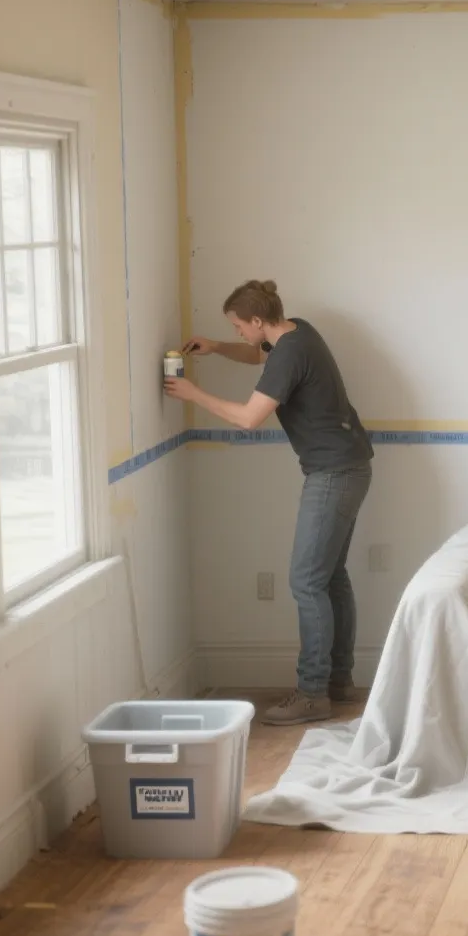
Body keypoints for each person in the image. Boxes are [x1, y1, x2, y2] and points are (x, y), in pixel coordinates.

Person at [164, 280, 374, 726]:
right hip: (350, 465)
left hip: (334, 473)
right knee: (330, 577)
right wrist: (217, 347)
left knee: (306, 581)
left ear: (259, 321)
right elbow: (260, 355)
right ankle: (338, 682)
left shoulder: (290, 352)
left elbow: (248, 418)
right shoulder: (297, 332)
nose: (239, 333)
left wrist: (192, 395)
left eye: (239, 326)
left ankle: (312, 693)